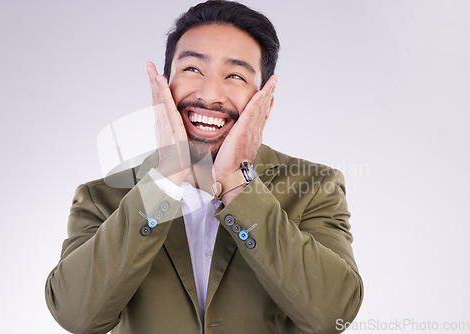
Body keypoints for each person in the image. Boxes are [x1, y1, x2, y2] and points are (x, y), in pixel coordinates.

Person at [45, 1, 363, 333]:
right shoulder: (101, 197)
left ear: (264, 100)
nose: (210, 94)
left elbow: (332, 314)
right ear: (164, 85)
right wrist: (166, 177)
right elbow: (76, 315)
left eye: (235, 75)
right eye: (193, 69)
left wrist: (238, 184)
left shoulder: (313, 187)